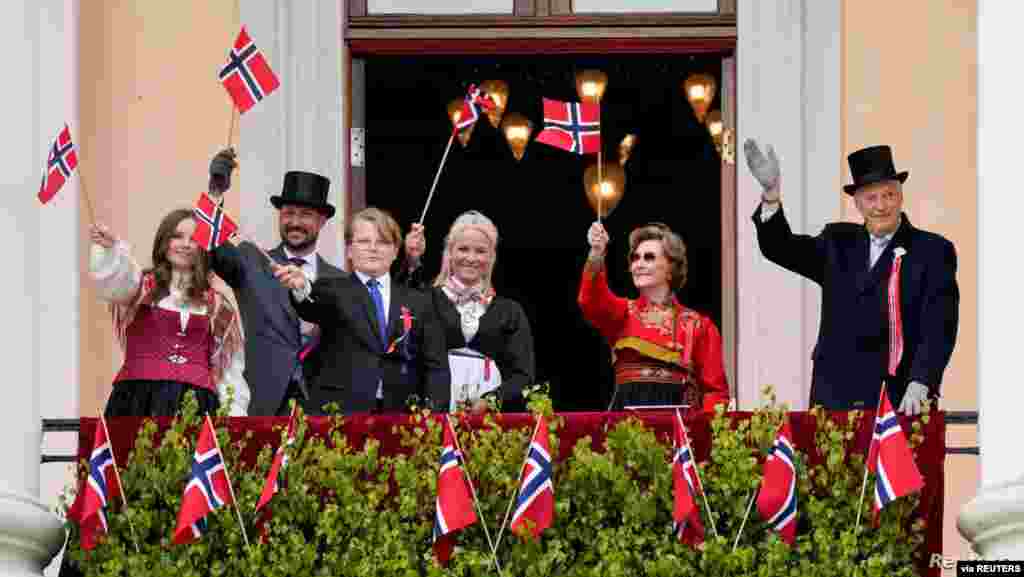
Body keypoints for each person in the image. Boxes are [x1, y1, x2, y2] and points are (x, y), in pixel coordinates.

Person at [744, 140, 959, 413]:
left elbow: (940, 325)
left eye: (889, 195)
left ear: (901, 196)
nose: (881, 205)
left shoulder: (933, 250)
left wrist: (922, 380)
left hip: (899, 398)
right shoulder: (837, 242)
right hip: (835, 396)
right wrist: (771, 194)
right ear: (857, 203)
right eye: (871, 198)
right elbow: (781, 247)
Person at [206, 149, 345, 416]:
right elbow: (212, 251)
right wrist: (215, 194)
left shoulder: (339, 280)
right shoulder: (251, 259)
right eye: (288, 213)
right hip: (264, 402)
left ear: (322, 220)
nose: (295, 222)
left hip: (322, 407)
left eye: (305, 214)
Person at [275, 207, 450, 414]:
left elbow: (436, 367)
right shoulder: (331, 290)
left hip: (402, 418)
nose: (373, 248)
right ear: (349, 250)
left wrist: (434, 417)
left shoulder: (420, 301)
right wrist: (301, 287)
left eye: (383, 242)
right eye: (364, 242)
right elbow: (311, 306)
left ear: (395, 251)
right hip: (340, 416)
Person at [88, 209, 248, 416]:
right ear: (164, 243)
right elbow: (117, 283)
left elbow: (230, 371)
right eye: (177, 236)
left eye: (193, 239)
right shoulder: (141, 287)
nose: (185, 244)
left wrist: (234, 418)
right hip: (137, 401)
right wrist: (112, 249)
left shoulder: (218, 306)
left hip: (196, 407)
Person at [579, 221, 730, 412]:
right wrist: (597, 253)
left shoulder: (699, 326)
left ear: (670, 268)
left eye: (648, 257)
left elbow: (714, 393)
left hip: (678, 433)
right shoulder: (622, 313)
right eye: (635, 258)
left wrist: (704, 436)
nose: (638, 264)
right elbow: (590, 300)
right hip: (625, 431)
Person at [403, 211, 534, 413]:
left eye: (480, 251)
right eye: (463, 249)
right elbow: (397, 310)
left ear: (491, 257)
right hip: (432, 415)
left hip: (490, 423)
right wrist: (412, 262)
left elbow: (523, 376)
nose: (471, 258)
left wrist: (491, 401)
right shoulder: (426, 299)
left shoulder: (510, 311)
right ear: (449, 253)